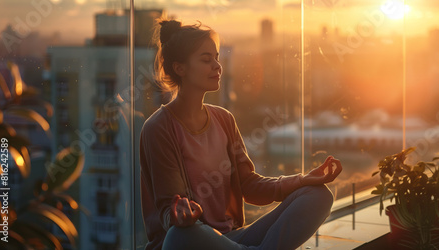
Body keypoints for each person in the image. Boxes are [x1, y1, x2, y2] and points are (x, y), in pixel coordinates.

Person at [139, 19, 343, 250]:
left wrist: (302, 180)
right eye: (207, 60)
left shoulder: (224, 119)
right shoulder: (158, 128)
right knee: (181, 235)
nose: (217, 66)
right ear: (180, 68)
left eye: (216, 57)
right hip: (192, 241)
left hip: (231, 240)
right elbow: (168, 210)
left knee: (318, 196)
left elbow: (249, 185)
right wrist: (180, 216)